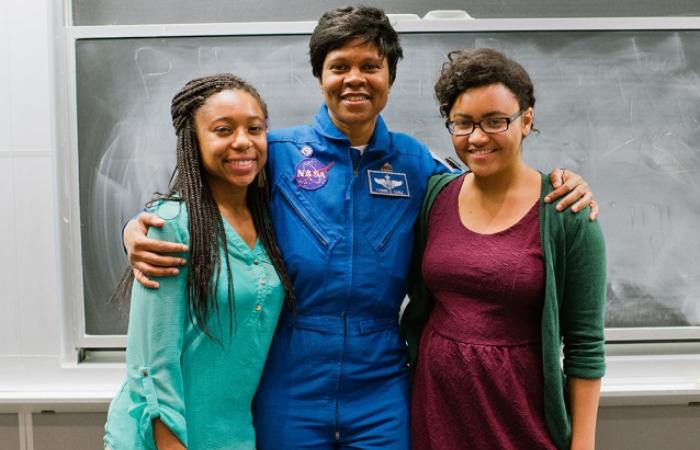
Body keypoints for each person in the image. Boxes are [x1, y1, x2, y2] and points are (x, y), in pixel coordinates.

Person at [122, 7, 597, 449]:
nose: (355, 79)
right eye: (339, 66)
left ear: (389, 75)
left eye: (370, 65)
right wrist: (137, 230)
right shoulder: (275, 153)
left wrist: (563, 182)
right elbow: (207, 196)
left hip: (382, 384)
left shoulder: (420, 166)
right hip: (289, 380)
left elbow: (486, 188)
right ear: (320, 76)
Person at [404, 48, 606, 450]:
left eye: (496, 121)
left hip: (519, 419)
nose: (477, 137)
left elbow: (585, 345)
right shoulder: (435, 196)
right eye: (463, 123)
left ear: (526, 120)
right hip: (436, 414)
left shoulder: (567, 212)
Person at [103, 74, 294, 450]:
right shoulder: (170, 226)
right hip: (165, 439)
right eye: (223, 129)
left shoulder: (269, 222)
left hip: (234, 435)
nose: (243, 141)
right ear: (194, 141)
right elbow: (153, 367)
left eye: (254, 128)